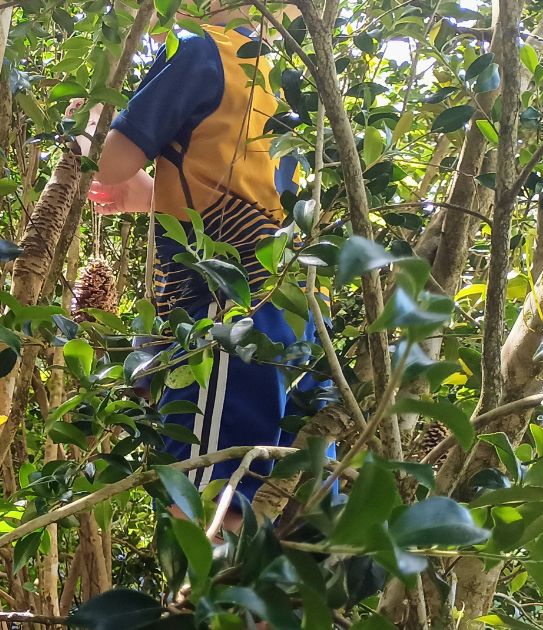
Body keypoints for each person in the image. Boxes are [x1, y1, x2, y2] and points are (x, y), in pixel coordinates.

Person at [78, 1, 330, 525]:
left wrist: (86, 122)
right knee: (271, 495)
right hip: (289, 309)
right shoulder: (280, 79)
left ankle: (197, 605)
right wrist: (148, 195)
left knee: (208, 494)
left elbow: (104, 162)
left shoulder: (200, 50)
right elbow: (245, 193)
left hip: (226, 315)